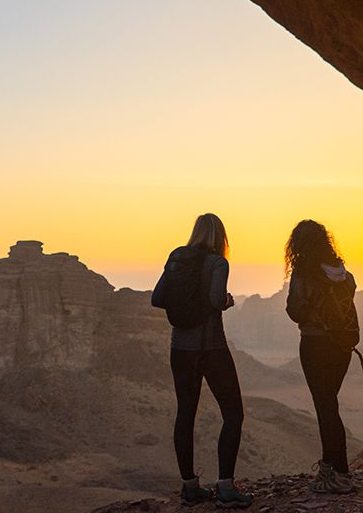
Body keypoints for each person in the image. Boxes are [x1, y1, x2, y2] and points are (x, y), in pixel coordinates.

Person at [150, 212, 249, 508]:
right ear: (221, 236)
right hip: (211, 348)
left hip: (180, 349)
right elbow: (217, 300)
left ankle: (190, 487)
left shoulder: (177, 258)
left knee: (185, 414)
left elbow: (157, 298)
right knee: (233, 414)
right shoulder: (218, 263)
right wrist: (227, 301)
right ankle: (226, 488)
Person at [284, 218, 359, 494]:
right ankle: (329, 468)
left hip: (315, 345)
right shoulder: (341, 272)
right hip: (342, 347)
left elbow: (295, 310)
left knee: (325, 408)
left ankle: (341, 475)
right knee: (329, 405)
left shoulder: (304, 273)